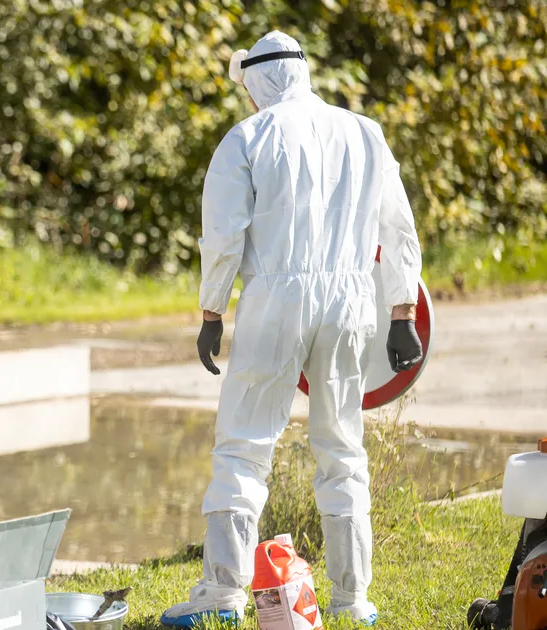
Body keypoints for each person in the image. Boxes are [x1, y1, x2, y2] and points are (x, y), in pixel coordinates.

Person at [160, 31, 425, 628]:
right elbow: (400, 231)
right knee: (342, 448)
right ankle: (352, 601)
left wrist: (211, 314)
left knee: (243, 446)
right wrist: (401, 313)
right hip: (353, 300)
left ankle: (223, 596)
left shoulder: (245, 138)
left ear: (255, 81)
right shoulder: (364, 132)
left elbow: (223, 238)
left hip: (275, 301)